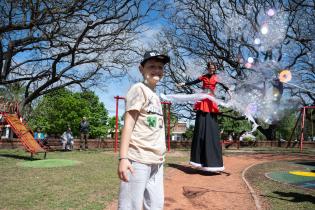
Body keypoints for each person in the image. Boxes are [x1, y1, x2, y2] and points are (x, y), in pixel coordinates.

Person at [117, 50, 170, 210]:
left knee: (155, 205)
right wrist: (123, 158)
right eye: (152, 66)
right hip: (138, 159)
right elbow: (128, 124)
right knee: (130, 206)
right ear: (141, 69)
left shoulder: (155, 95)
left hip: (157, 161)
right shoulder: (138, 89)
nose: (156, 70)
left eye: (160, 67)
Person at [177, 62, 230, 172]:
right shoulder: (204, 77)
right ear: (207, 69)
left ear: (215, 69)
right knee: (201, 116)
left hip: (211, 99)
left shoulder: (216, 77)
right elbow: (193, 82)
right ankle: (199, 160)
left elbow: (225, 86)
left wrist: (230, 92)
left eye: (213, 68)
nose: (211, 70)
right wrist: (184, 84)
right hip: (203, 98)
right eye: (210, 68)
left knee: (211, 117)